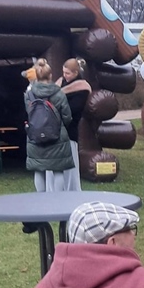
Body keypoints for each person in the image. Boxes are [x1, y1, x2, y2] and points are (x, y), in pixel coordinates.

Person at [25, 58, 75, 192]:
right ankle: (57, 201)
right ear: (50, 75)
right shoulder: (59, 94)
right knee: (58, 171)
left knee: (39, 171)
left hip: (35, 138)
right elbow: (67, 116)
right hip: (57, 137)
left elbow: (29, 113)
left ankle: (42, 201)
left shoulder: (29, 95)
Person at [56, 58, 91, 191]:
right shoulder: (59, 83)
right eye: (63, 72)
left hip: (69, 131)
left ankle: (72, 193)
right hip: (55, 131)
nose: (65, 76)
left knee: (70, 169)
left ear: (76, 73)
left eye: (68, 73)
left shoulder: (82, 88)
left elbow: (72, 110)